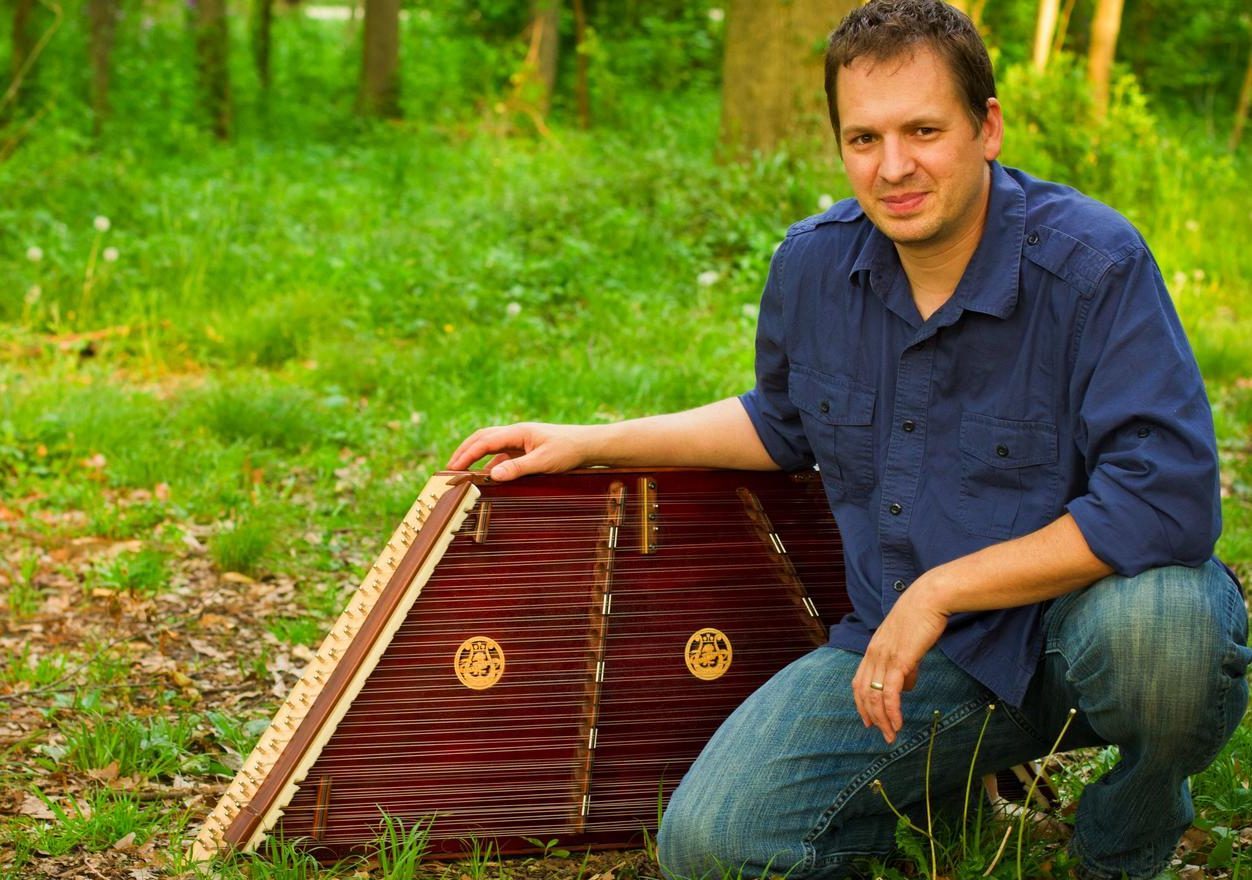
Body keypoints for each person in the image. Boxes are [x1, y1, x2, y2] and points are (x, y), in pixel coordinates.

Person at [447, 1, 1251, 877]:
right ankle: (926, 807)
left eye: (923, 130)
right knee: (712, 845)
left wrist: (940, 589)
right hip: (913, 660)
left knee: (1177, 627)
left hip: (1077, 632)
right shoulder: (813, 264)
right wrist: (595, 441)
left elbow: (1163, 498)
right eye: (863, 138)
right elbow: (781, 421)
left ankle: (1123, 843)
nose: (894, 167)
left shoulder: (1093, 264)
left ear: (988, 128)